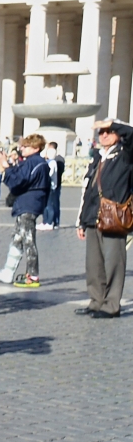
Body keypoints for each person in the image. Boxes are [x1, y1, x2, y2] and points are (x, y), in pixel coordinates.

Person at [77, 118, 133, 318]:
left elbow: (132, 135)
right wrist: (82, 221)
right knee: (94, 264)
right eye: (101, 132)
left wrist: (114, 123)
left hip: (114, 217)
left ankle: (111, 304)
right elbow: (89, 191)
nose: (104, 135)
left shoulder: (125, 156)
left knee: (113, 262)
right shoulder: (98, 158)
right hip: (94, 217)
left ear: (118, 134)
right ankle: (96, 300)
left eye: (109, 131)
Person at [0, 134, 50, 287]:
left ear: (36, 148)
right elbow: (19, 176)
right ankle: (8, 272)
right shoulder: (32, 162)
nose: (21, 148)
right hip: (26, 204)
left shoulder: (35, 162)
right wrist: (9, 165)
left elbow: (18, 182)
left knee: (28, 239)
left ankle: (33, 276)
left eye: (26, 146)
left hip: (28, 205)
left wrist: (5, 165)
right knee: (17, 238)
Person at [40, 141, 65, 229]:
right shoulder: (53, 160)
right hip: (52, 185)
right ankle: (47, 221)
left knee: (52, 204)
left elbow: (52, 174)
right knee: (48, 204)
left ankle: (53, 222)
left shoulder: (55, 161)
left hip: (53, 185)